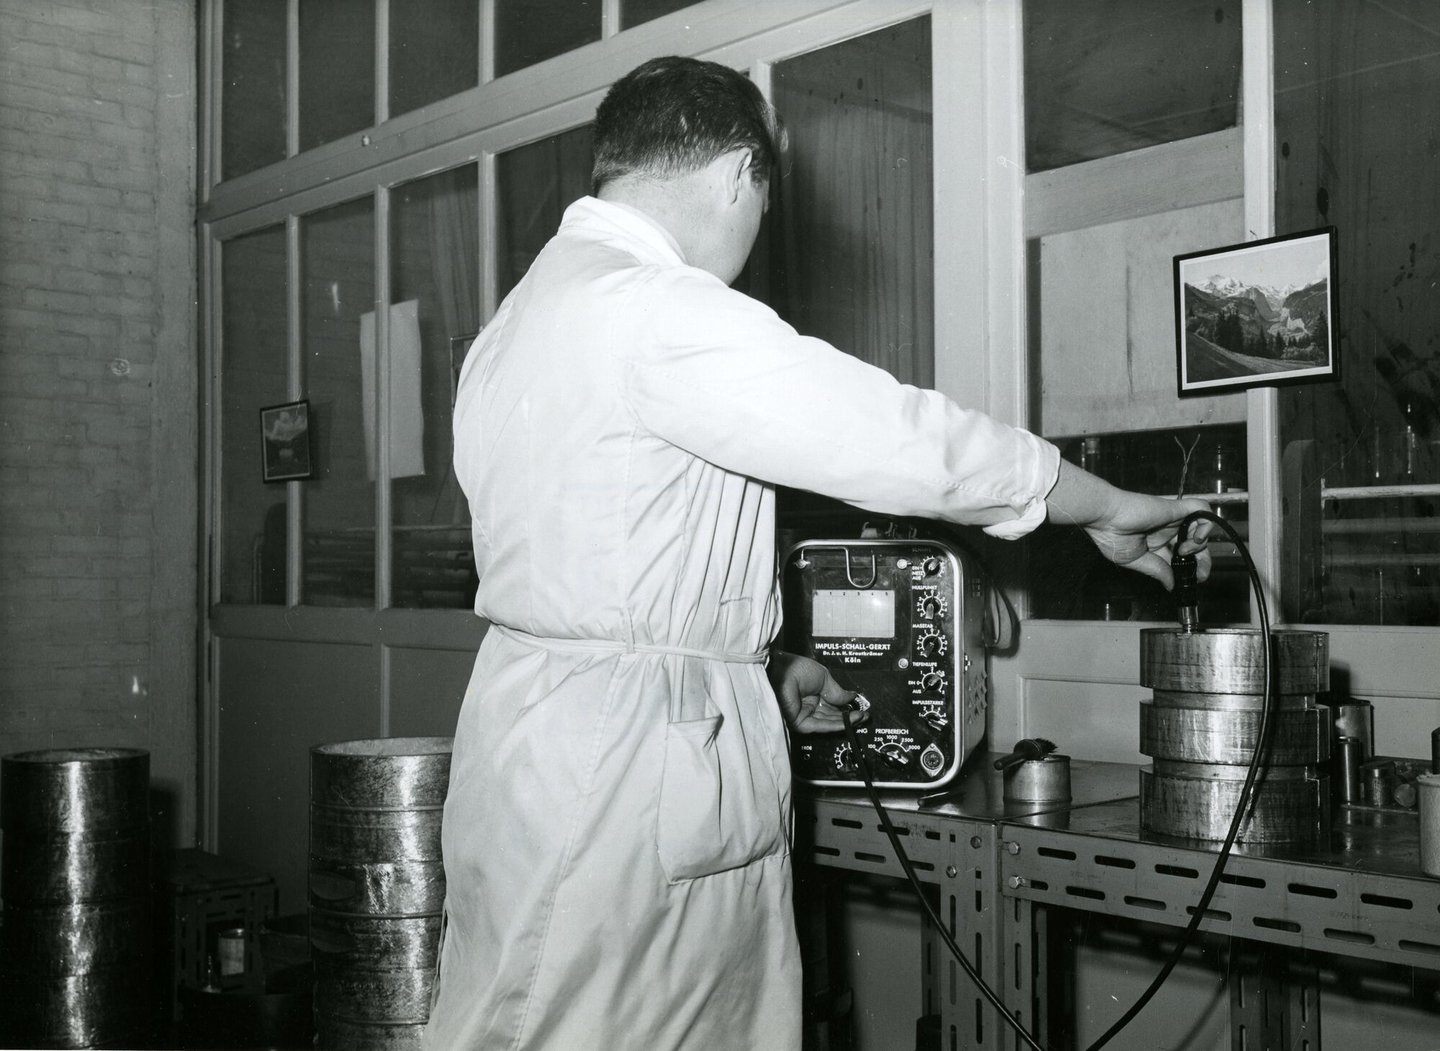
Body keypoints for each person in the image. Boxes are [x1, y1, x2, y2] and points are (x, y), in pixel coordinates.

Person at [424, 55, 1211, 1051]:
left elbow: (604, 558)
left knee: (519, 1016)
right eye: (764, 203)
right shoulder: (657, 308)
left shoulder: (516, 324)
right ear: (741, 177)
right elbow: (898, 440)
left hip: (537, 742)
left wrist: (761, 664)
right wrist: (1095, 502)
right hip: (628, 777)